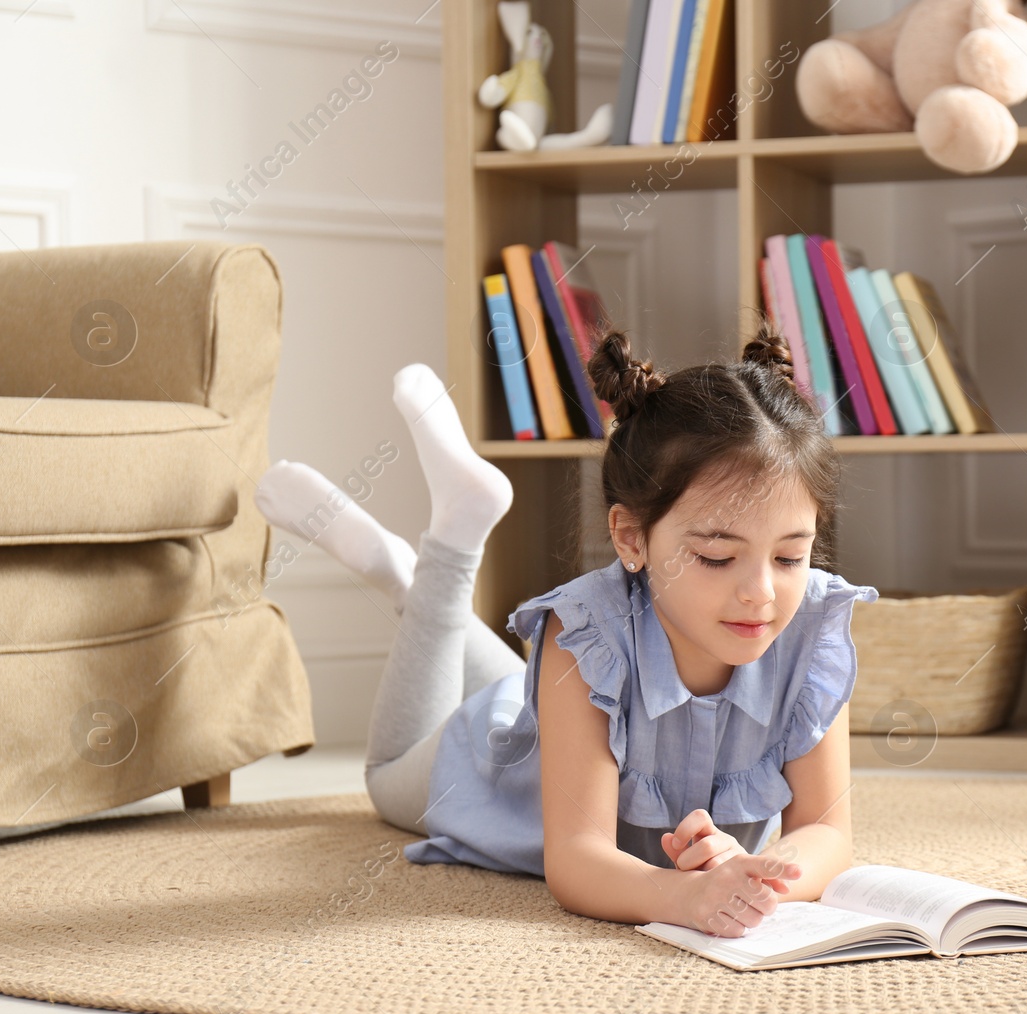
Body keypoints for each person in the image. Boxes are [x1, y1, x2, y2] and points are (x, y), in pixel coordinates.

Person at [253, 319, 878, 938]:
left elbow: (826, 832)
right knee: (387, 777)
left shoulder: (813, 627)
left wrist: (757, 879)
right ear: (631, 538)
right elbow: (577, 862)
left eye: (792, 556)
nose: (762, 593)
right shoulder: (585, 634)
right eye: (717, 557)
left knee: (543, 674)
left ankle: (408, 576)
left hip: (560, 702)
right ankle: (441, 556)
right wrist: (685, 896)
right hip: (500, 750)